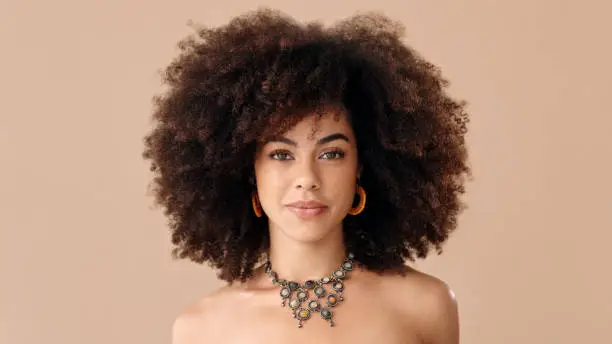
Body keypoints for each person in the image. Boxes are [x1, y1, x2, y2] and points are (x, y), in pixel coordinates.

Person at [142, 7, 470, 344]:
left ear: (362, 165)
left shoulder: (425, 307)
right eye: (281, 154)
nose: (307, 178)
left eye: (331, 154)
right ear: (248, 169)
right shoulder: (201, 328)